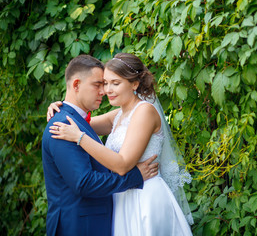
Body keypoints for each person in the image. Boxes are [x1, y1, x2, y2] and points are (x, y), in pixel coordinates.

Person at [48, 53, 193, 235]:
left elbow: (123, 164)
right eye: (105, 83)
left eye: (115, 83)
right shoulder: (117, 116)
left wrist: (80, 138)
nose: (107, 90)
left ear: (134, 84)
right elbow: (79, 121)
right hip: (123, 198)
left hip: (145, 197)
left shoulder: (144, 112)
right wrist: (61, 107)